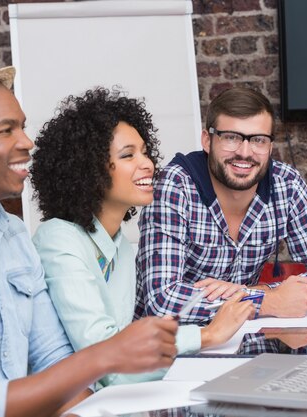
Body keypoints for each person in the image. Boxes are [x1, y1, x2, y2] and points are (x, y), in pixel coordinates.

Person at [0, 52, 178, 417]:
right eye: (6, 130)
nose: (28, 142)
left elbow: (52, 358)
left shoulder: (16, 236)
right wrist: (106, 356)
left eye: (23, 127)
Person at [30, 87, 254, 387]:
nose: (147, 163)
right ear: (88, 169)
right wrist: (207, 335)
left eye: (145, 151)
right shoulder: (57, 240)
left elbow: (123, 356)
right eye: (128, 155)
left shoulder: (121, 246)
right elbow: (106, 358)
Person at [136, 87, 307, 325]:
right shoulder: (175, 186)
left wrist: (259, 292)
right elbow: (162, 301)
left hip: (242, 340)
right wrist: (268, 302)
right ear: (207, 140)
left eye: (258, 140)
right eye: (231, 137)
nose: (244, 153)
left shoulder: (286, 184)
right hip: (168, 346)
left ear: (270, 147)